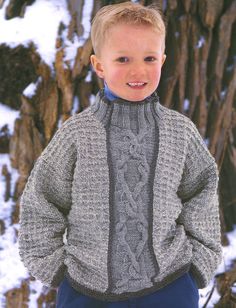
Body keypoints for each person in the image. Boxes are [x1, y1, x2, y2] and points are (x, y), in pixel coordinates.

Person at [18, 2, 222, 308]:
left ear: (163, 60)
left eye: (149, 58)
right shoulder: (77, 133)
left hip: (170, 284)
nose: (138, 70)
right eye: (123, 59)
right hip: (87, 289)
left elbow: (202, 191)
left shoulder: (180, 132)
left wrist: (198, 265)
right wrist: (55, 268)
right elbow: (42, 199)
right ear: (99, 65)